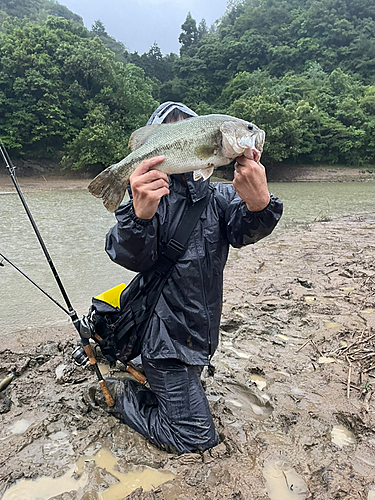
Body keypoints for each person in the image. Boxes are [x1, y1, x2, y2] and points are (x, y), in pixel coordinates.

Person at [103, 101, 283, 454]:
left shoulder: (221, 197)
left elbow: (245, 230)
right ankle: (122, 396)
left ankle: (155, 384)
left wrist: (260, 204)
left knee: (186, 396)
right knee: (195, 439)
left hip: (198, 336)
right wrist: (140, 216)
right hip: (162, 343)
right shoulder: (145, 199)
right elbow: (128, 256)